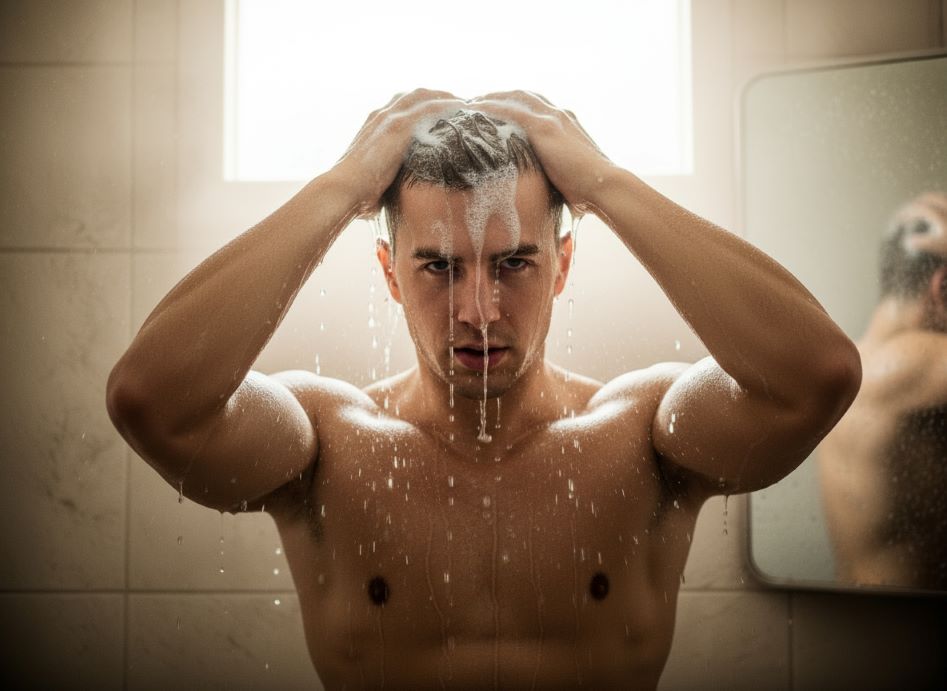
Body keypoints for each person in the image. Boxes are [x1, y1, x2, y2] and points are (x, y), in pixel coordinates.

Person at [106, 90, 861, 689]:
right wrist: (342, 187)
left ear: (562, 266)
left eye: (513, 264)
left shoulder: (639, 433)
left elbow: (815, 376)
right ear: (387, 273)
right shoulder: (326, 440)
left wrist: (601, 182)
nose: (477, 311)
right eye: (437, 266)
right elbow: (150, 398)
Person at [819, 193, 947, 590]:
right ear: (942, 287)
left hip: (862, 616)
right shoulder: (916, 361)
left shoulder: (852, 363)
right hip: (906, 632)